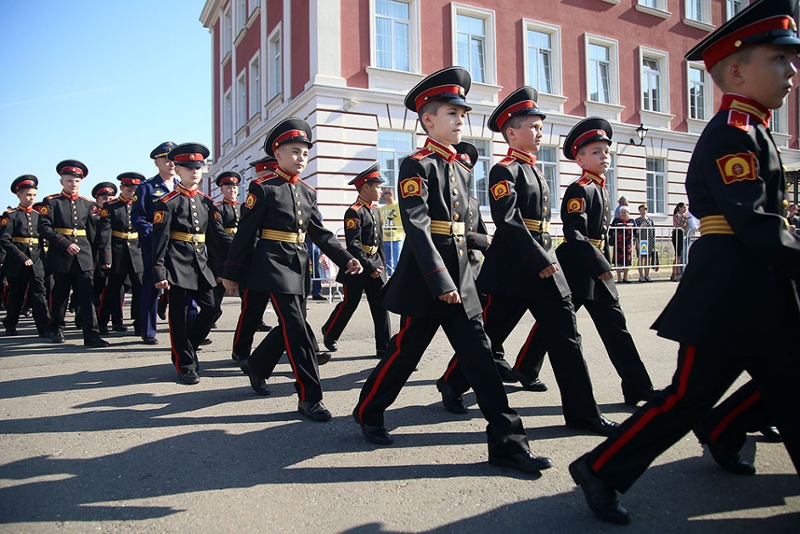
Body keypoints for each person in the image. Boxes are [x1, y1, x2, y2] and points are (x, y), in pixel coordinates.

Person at [569, 1, 800, 524]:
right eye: (779, 61)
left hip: (759, 291)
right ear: (737, 70)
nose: (792, 73)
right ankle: (601, 468)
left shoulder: (755, 130)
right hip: (726, 294)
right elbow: (757, 224)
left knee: (789, 384)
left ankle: (723, 429)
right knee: (685, 399)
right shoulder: (731, 134)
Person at [353, 67, 552, 474]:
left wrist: (485, 246)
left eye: (463, 114)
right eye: (451, 114)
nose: (461, 120)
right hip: (430, 280)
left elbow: (465, 226)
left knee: (481, 359)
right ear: (428, 120)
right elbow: (419, 227)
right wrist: (440, 280)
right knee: (405, 354)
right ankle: (369, 410)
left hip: (462, 279)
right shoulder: (416, 165)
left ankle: (509, 445)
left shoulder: (462, 167)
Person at [436, 87, 617, 436]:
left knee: (567, 337)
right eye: (532, 127)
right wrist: (538, 257)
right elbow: (508, 220)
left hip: (545, 266)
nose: (539, 132)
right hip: (514, 270)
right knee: (489, 335)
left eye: (540, 126)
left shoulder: (535, 170)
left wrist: (546, 257)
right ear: (511, 132)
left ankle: (583, 414)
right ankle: (452, 382)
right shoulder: (504, 171)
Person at [222, 118, 362, 422]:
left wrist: (345, 257)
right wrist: (231, 273)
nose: (301, 158)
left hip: (297, 264)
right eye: (295, 151)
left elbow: (319, 232)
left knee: (293, 323)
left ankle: (258, 366)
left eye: (305, 153)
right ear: (279, 154)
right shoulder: (262, 188)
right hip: (270, 263)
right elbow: (245, 233)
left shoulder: (307, 192)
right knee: (297, 330)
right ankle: (310, 398)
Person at [151, 143, 231, 385]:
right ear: (178, 169)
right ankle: (184, 364)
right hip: (177, 264)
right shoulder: (167, 202)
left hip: (201, 264)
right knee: (179, 315)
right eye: (188, 168)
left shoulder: (207, 202)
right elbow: (160, 240)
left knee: (212, 308)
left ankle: (188, 347)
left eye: (198, 167)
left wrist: (243, 248)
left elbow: (217, 238)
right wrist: (159, 271)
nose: (194, 172)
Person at [321, 162, 390, 358]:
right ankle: (330, 332)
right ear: (366, 187)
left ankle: (383, 347)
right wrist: (369, 266)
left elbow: (380, 242)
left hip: (375, 263)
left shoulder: (375, 210)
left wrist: (382, 265)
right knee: (349, 304)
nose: (381, 190)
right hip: (357, 267)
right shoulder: (354, 211)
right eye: (377, 186)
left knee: (380, 305)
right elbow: (353, 244)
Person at [38, 160, 108, 347]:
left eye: (76, 181)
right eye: (69, 181)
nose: (73, 184)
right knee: (60, 294)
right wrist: (63, 243)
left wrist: (95, 256)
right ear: (62, 181)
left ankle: (91, 334)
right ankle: (57, 328)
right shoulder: (51, 202)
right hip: (62, 256)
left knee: (87, 296)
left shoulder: (88, 204)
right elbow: (44, 227)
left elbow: (94, 233)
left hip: (83, 256)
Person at [132, 141, 177, 345]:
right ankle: (148, 330)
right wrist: (155, 235)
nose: (171, 164)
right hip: (154, 246)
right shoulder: (147, 188)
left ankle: (190, 327)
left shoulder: (181, 186)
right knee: (151, 288)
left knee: (184, 286)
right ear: (156, 162)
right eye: (165, 160)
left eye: (173, 159)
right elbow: (138, 218)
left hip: (178, 246)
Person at [0, 175, 50, 337]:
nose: (31, 198)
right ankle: (10, 323)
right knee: (16, 294)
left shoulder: (38, 215)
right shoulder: (10, 215)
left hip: (36, 260)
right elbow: (5, 240)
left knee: (39, 294)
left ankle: (44, 327)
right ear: (19, 195)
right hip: (17, 261)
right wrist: (21, 257)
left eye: (34, 195)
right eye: (28, 195)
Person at [96, 173, 144, 335]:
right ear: (122, 188)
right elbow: (104, 233)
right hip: (118, 253)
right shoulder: (111, 206)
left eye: (134, 191)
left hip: (137, 253)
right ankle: (102, 322)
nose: (132, 194)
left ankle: (139, 324)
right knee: (113, 290)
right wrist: (106, 257)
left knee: (140, 289)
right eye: (129, 190)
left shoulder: (141, 205)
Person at [208, 171, 240, 327]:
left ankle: (257, 321)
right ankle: (210, 318)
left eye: (234, 188)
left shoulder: (243, 208)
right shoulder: (217, 209)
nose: (232, 191)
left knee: (250, 293)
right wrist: (238, 244)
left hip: (241, 255)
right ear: (221, 189)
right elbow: (218, 232)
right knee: (217, 293)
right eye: (228, 188)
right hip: (223, 256)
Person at [379, 187, 403, 275]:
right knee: (387, 261)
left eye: (384, 193)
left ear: (391, 194)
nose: (382, 195)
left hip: (396, 238)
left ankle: (398, 278)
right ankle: (389, 278)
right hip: (385, 239)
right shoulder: (381, 209)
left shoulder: (398, 206)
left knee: (397, 261)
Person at [610, 206, 635, 283]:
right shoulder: (616, 220)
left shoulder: (631, 221)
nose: (623, 214)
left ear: (628, 213)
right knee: (618, 261)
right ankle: (619, 278)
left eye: (625, 212)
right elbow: (611, 231)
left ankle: (625, 278)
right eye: (622, 212)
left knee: (627, 261)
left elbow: (636, 231)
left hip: (627, 244)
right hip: (618, 244)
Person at [634, 204, 655, 282]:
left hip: (649, 241)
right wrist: (636, 243)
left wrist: (653, 242)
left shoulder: (650, 220)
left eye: (644, 210)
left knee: (647, 258)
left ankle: (647, 275)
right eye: (641, 210)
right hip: (641, 241)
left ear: (647, 210)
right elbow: (635, 233)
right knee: (640, 258)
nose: (643, 212)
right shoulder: (637, 220)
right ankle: (641, 275)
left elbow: (653, 231)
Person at [670, 202, 688, 281]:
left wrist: (685, 220)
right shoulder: (677, 216)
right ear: (680, 208)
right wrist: (682, 219)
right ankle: (677, 273)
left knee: (678, 255)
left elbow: (684, 226)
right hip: (677, 234)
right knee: (678, 254)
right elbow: (677, 224)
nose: (685, 209)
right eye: (684, 207)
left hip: (681, 234)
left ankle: (674, 273)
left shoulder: (683, 217)